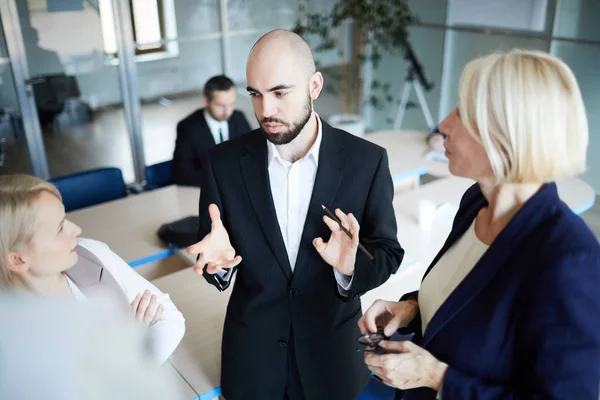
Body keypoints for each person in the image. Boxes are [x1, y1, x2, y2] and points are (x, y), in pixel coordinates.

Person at [359, 50, 600, 399]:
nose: (443, 124)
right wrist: (411, 308)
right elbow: (465, 299)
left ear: (505, 136)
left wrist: (436, 377)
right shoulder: (476, 201)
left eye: (462, 112)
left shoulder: (569, 259)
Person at [186, 30, 404, 400]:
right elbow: (217, 255)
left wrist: (349, 267)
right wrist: (221, 267)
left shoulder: (366, 161)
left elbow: (387, 251)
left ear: (315, 85)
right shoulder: (222, 163)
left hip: (331, 358)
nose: (265, 110)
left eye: (280, 92)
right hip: (251, 361)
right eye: (255, 93)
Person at [0, 174, 185, 365]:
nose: (76, 230)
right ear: (18, 260)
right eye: (59, 228)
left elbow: (170, 318)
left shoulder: (89, 253)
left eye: (65, 218)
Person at [173, 75, 252, 186]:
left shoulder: (238, 118)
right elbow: (182, 174)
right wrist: (224, 179)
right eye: (220, 106)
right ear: (206, 101)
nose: (228, 112)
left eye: (231, 104)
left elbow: (252, 156)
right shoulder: (187, 127)